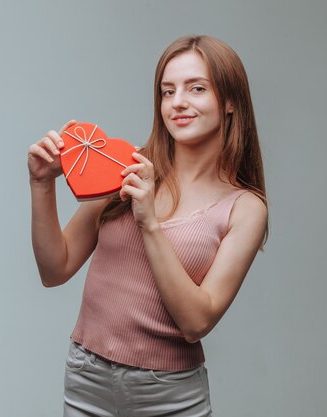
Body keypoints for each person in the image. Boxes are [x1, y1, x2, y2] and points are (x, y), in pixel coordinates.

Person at [27, 35, 268, 417]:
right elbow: (54, 270)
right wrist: (42, 184)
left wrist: (150, 224)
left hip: (170, 397)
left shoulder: (245, 208)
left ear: (230, 102)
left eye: (197, 88)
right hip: (86, 381)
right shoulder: (125, 165)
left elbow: (196, 322)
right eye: (167, 91)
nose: (178, 103)